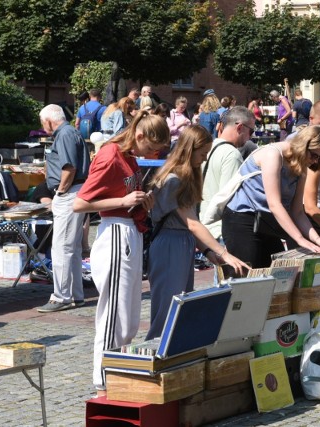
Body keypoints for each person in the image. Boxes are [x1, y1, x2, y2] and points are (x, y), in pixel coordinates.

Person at [72, 111, 170, 395]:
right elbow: (80, 203)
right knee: (114, 313)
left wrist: (142, 200)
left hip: (128, 230)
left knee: (126, 312)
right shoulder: (110, 155)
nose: (152, 154)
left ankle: (115, 371)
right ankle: (103, 379)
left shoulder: (126, 156)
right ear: (139, 135)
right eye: (151, 148)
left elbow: (125, 197)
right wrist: (124, 200)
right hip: (115, 232)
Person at [146, 125, 248, 339]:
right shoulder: (173, 180)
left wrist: (209, 253)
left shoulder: (183, 178)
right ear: (190, 150)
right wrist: (223, 253)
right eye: (201, 155)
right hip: (170, 244)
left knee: (180, 308)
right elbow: (192, 223)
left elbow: (190, 225)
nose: (203, 160)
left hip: (182, 243)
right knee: (167, 312)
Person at [221, 125, 320, 268]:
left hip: (266, 222)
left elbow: (298, 211)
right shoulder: (273, 155)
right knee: (249, 276)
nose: (315, 161)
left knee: (277, 272)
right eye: (314, 155)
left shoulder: (301, 165)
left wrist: (316, 238)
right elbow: (275, 204)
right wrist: (300, 239)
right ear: (303, 146)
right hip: (241, 220)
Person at [36, 105, 91, 313]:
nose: (43, 127)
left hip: (69, 193)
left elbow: (69, 167)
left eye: (43, 122)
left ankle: (61, 296)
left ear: (50, 120)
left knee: (61, 248)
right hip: (73, 192)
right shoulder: (69, 132)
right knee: (72, 247)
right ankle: (75, 295)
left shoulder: (65, 133)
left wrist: (60, 191)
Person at [199, 106, 255, 240]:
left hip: (201, 228)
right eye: (251, 131)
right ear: (240, 127)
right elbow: (228, 200)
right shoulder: (232, 155)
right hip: (218, 231)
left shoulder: (207, 148)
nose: (250, 137)